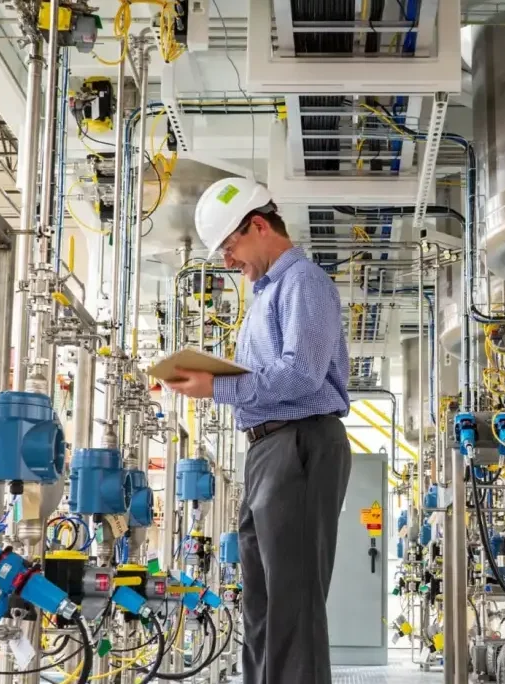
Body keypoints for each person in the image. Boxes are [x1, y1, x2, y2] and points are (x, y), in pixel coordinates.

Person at [164, 177, 351, 684]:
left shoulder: (302, 282)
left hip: (302, 441)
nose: (227, 261)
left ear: (259, 226)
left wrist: (217, 387)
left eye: (229, 246)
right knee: (263, 602)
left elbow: (301, 374)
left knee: (293, 600)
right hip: (269, 448)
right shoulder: (264, 294)